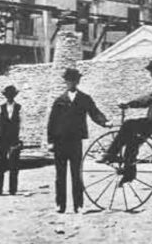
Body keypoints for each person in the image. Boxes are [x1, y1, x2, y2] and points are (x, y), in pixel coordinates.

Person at [46, 67, 108, 213]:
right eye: (69, 80)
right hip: (60, 142)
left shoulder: (85, 99)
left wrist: (105, 122)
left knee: (76, 174)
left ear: (78, 81)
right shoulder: (59, 100)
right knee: (60, 175)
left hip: (75, 141)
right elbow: (52, 122)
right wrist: (50, 141)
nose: (72, 83)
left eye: (74, 80)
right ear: (66, 82)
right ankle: (60, 205)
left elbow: (95, 113)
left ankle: (78, 205)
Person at [102, 59, 152, 178]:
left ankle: (111, 153)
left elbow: (148, 99)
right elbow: (148, 100)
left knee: (128, 124)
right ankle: (129, 173)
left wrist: (129, 104)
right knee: (132, 142)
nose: (151, 74)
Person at [0, 84, 23, 196]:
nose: (10, 96)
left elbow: (22, 124)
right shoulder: (0, 107)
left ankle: (12, 189)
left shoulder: (19, 108)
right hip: (2, 138)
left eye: (12, 94)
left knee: (14, 164)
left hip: (14, 138)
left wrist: (21, 138)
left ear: (14, 95)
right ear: (5, 95)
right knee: (0, 164)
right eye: (8, 94)